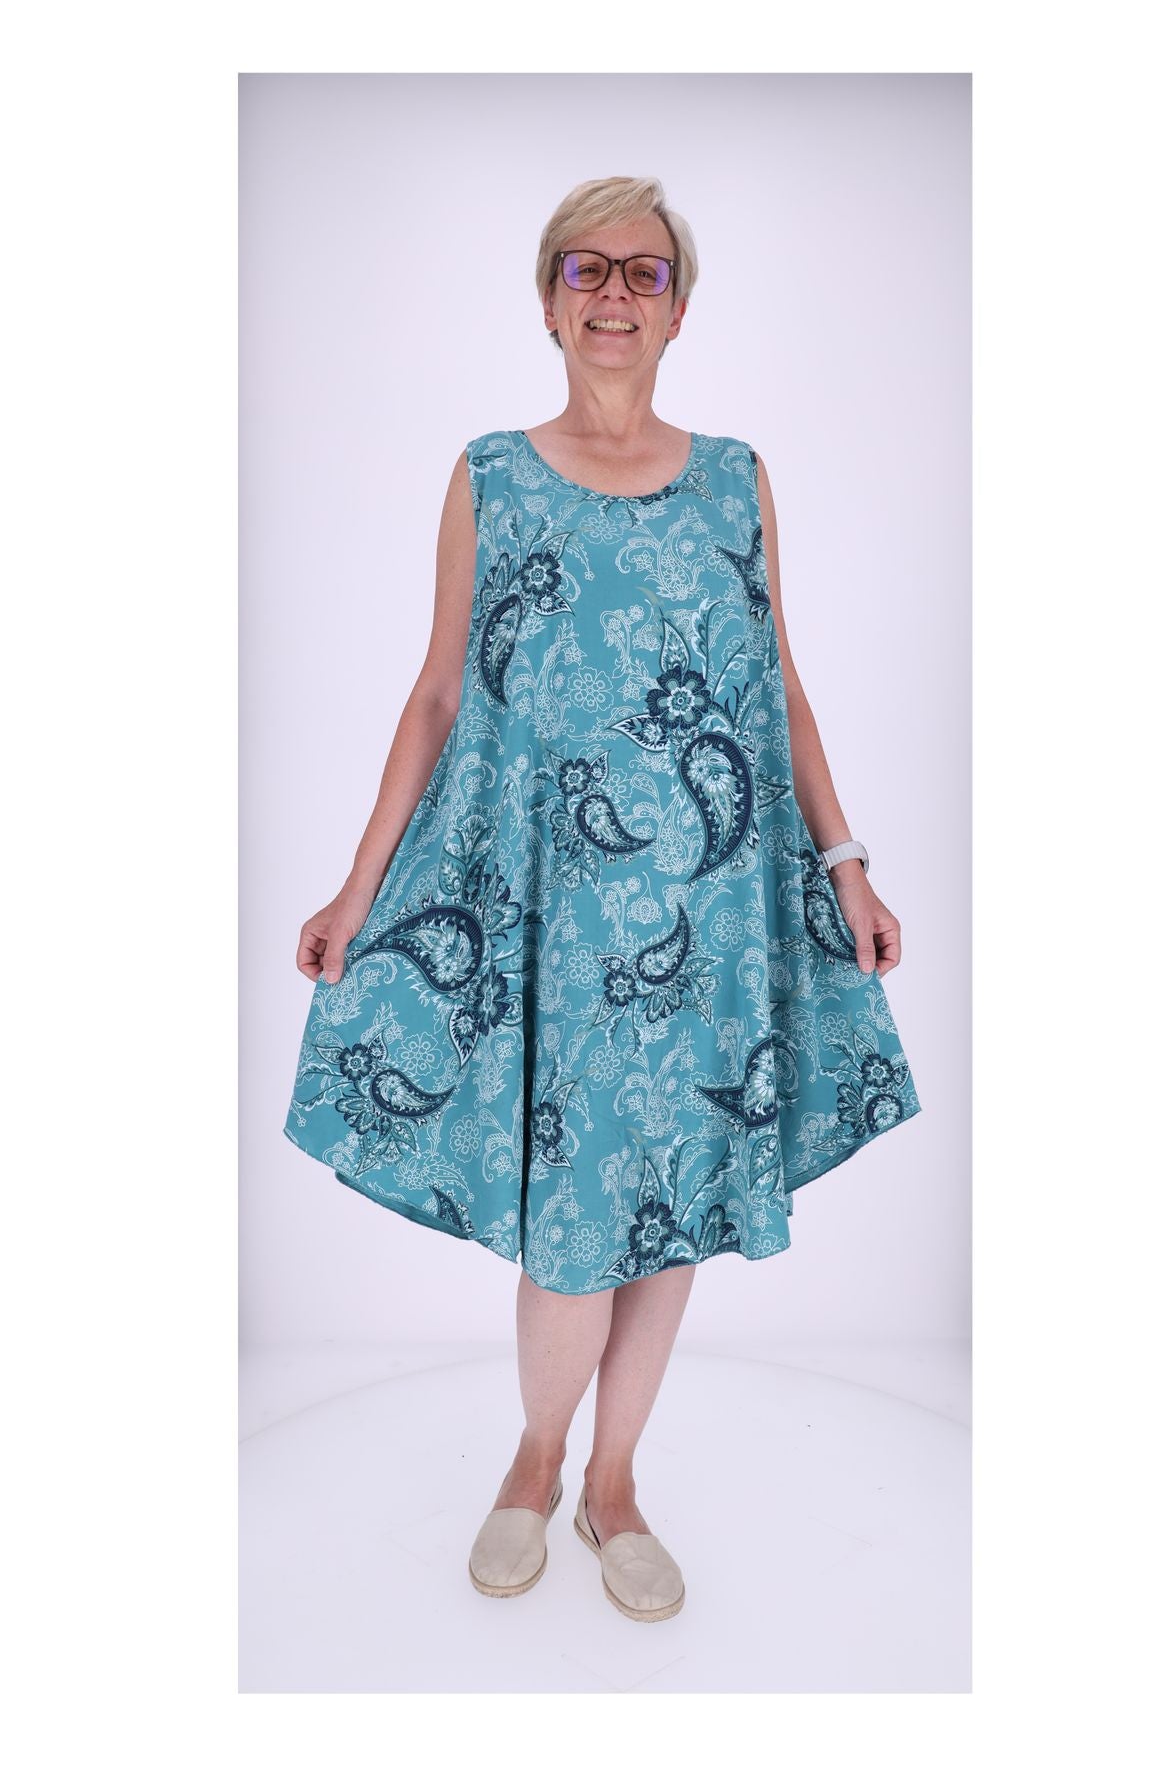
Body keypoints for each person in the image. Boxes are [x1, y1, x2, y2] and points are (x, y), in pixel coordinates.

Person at [283, 175, 922, 1621]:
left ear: (678, 310)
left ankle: (611, 1484)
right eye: (587, 269)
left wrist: (846, 862)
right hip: (553, 920)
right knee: (575, 1227)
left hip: (713, 910)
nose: (615, 293)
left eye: (644, 272)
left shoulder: (736, 474)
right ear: (550, 302)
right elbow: (439, 693)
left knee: (675, 1205)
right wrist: (356, 885)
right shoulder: (490, 475)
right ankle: (533, 1461)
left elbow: (778, 685)